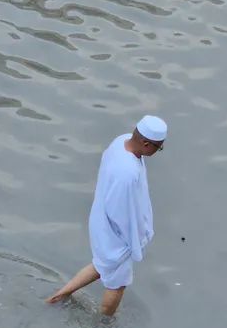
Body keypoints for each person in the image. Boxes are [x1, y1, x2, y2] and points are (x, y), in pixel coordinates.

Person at [46, 115, 167, 316]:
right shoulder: (127, 174)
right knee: (118, 284)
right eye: (158, 147)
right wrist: (133, 242)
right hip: (116, 233)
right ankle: (104, 323)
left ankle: (57, 296)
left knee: (102, 263)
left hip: (101, 220)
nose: (158, 151)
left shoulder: (122, 140)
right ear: (146, 143)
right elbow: (121, 213)